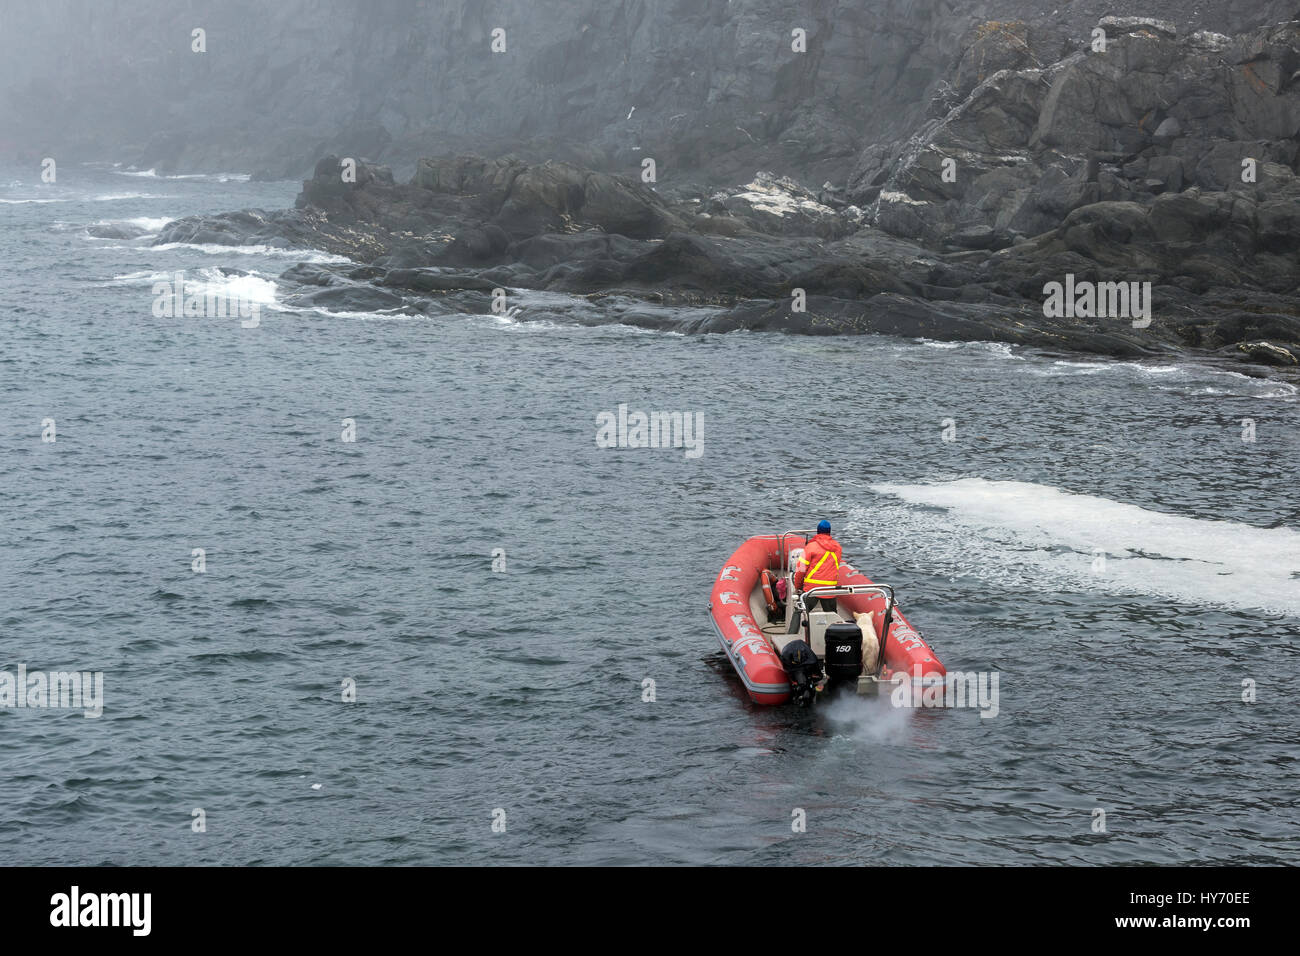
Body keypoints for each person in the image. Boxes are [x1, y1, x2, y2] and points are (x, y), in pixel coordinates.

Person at [794, 520, 842, 612]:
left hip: (812, 589)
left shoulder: (810, 547)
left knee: (801, 613)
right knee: (832, 618)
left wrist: (797, 586)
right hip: (829, 590)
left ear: (817, 531)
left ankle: (798, 625)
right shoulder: (838, 547)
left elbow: (801, 569)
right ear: (829, 532)